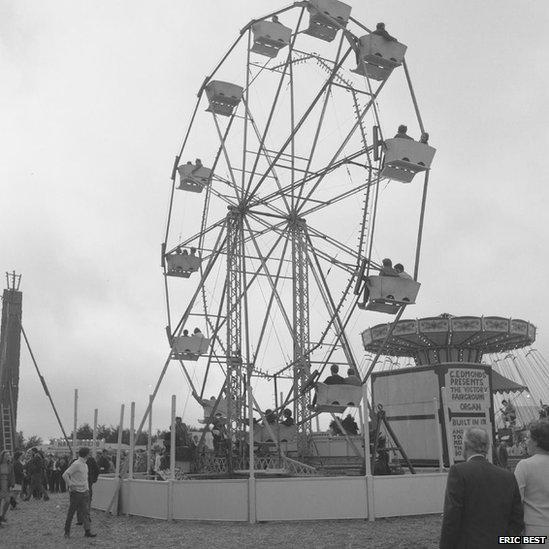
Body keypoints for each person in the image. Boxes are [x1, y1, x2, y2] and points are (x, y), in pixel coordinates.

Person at [439, 427, 523, 549]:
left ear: (465, 446)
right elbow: (517, 518)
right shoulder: (508, 476)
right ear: (487, 447)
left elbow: (452, 518)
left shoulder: (458, 471)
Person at [514, 420, 549, 541]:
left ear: (536, 441)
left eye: (528, 438)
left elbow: (516, 500)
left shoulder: (524, 466)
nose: (526, 441)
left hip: (534, 529)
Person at [62, 447, 96, 539]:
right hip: (76, 493)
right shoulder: (76, 464)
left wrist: (87, 489)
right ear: (86, 454)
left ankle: (87, 531)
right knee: (71, 512)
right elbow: (65, 474)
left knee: (85, 513)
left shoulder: (85, 464)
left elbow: (85, 479)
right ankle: (66, 532)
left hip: (84, 492)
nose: (90, 455)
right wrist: (70, 484)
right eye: (89, 453)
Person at [0, 450, 15, 525]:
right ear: (2, 456)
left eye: (9, 455)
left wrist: (12, 484)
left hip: (7, 485)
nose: (8, 456)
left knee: (8, 501)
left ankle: (2, 515)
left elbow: (12, 475)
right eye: (6, 455)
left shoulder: (10, 465)